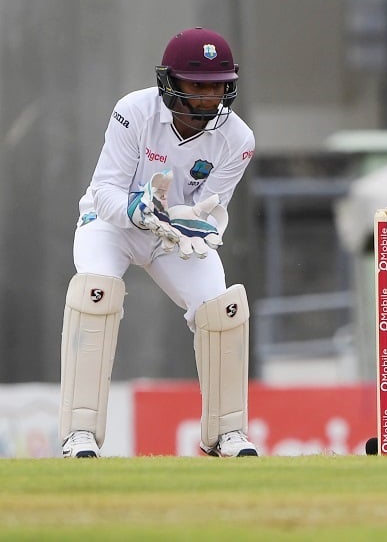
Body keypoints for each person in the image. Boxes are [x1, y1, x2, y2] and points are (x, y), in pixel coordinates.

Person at [59, 27, 258, 458]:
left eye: (219, 86)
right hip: (110, 224)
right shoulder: (134, 111)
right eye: (198, 86)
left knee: (221, 308)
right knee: (96, 293)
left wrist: (186, 223)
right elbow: (106, 190)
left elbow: (209, 208)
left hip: (172, 235)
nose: (210, 97)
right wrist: (140, 210)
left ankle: (227, 432)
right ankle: (79, 433)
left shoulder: (238, 139)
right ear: (170, 82)